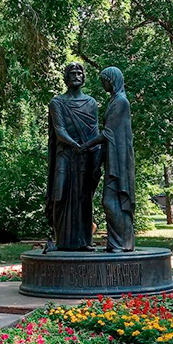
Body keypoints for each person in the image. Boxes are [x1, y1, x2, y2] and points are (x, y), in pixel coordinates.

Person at [46, 63, 102, 251]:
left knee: (83, 198)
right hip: (66, 155)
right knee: (60, 195)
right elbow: (60, 130)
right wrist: (75, 145)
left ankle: (84, 241)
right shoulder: (57, 103)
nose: (76, 76)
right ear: (66, 77)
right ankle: (61, 240)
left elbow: (95, 132)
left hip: (85, 156)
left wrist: (96, 158)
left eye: (80, 73)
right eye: (72, 73)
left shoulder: (91, 103)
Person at [82, 66, 135, 252]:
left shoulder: (121, 102)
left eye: (104, 80)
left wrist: (85, 145)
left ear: (111, 80)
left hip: (120, 158)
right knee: (113, 200)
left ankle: (122, 243)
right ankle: (118, 243)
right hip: (113, 155)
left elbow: (108, 132)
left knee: (112, 200)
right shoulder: (114, 101)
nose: (102, 84)